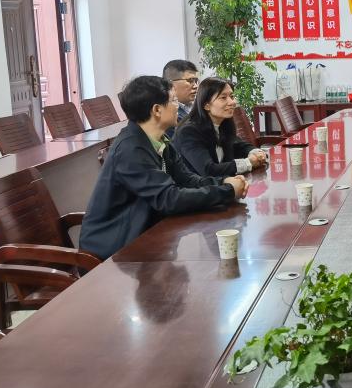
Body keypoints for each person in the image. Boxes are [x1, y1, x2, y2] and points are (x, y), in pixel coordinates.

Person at [79, 75, 249, 260]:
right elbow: (169, 199)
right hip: (115, 249)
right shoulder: (131, 149)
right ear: (157, 110)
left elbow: (187, 179)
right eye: (174, 100)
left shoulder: (160, 141)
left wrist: (224, 182)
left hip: (144, 234)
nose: (178, 106)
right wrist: (227, 191)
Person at [173, 77, 268, 177]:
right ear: (206, 105)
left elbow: (239, 145)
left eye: (232, 96)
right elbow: (208, 170)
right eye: (223, 98)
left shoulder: (223, 123)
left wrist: (256, 153)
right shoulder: (189, 131)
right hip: (197, 186)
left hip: (223, 183)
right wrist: (248, 163)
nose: (232, 102)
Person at [162, 59, 199, 136]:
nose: (196, 86)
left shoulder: (200, 106)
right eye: (190, 80)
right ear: (170, 83)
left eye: (196, 81)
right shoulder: (169, 117)